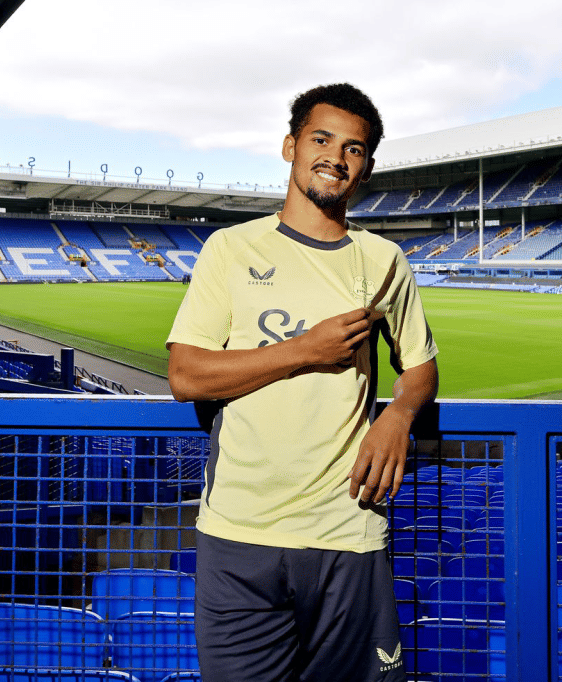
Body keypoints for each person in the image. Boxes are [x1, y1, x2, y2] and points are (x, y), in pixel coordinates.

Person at [166, 82, 439, 682]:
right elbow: (186, 375)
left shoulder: (384, 260)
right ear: (290, 146)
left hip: (348, 529)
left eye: (353, 149)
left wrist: (398, 415)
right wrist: (303, 351)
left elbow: (420, 366)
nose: (335, 157)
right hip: (239, 534)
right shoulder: (230, 248)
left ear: (366, 167)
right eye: (321, 139)